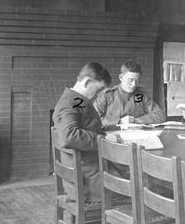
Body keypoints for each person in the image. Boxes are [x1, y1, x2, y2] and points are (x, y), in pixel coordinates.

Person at [53, 62, 111, 202]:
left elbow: (87, 126)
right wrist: (105, 139)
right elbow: (69, 136)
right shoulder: (69, 102)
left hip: (88, 168)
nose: (98, 95)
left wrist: (108, 129)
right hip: (86, 178)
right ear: (87, 82)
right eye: (98, 90)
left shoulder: (77, 100)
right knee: (139, 184)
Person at [94, 60, 164, 127]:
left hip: (136, 135)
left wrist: (136, 120)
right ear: (121, 77)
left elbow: (159, 115)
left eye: (137, 81)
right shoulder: (107, 95)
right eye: (130, 80)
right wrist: (119, 121)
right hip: (112, 136)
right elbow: (93, 119)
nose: (134, 84)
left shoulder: (142, 96)